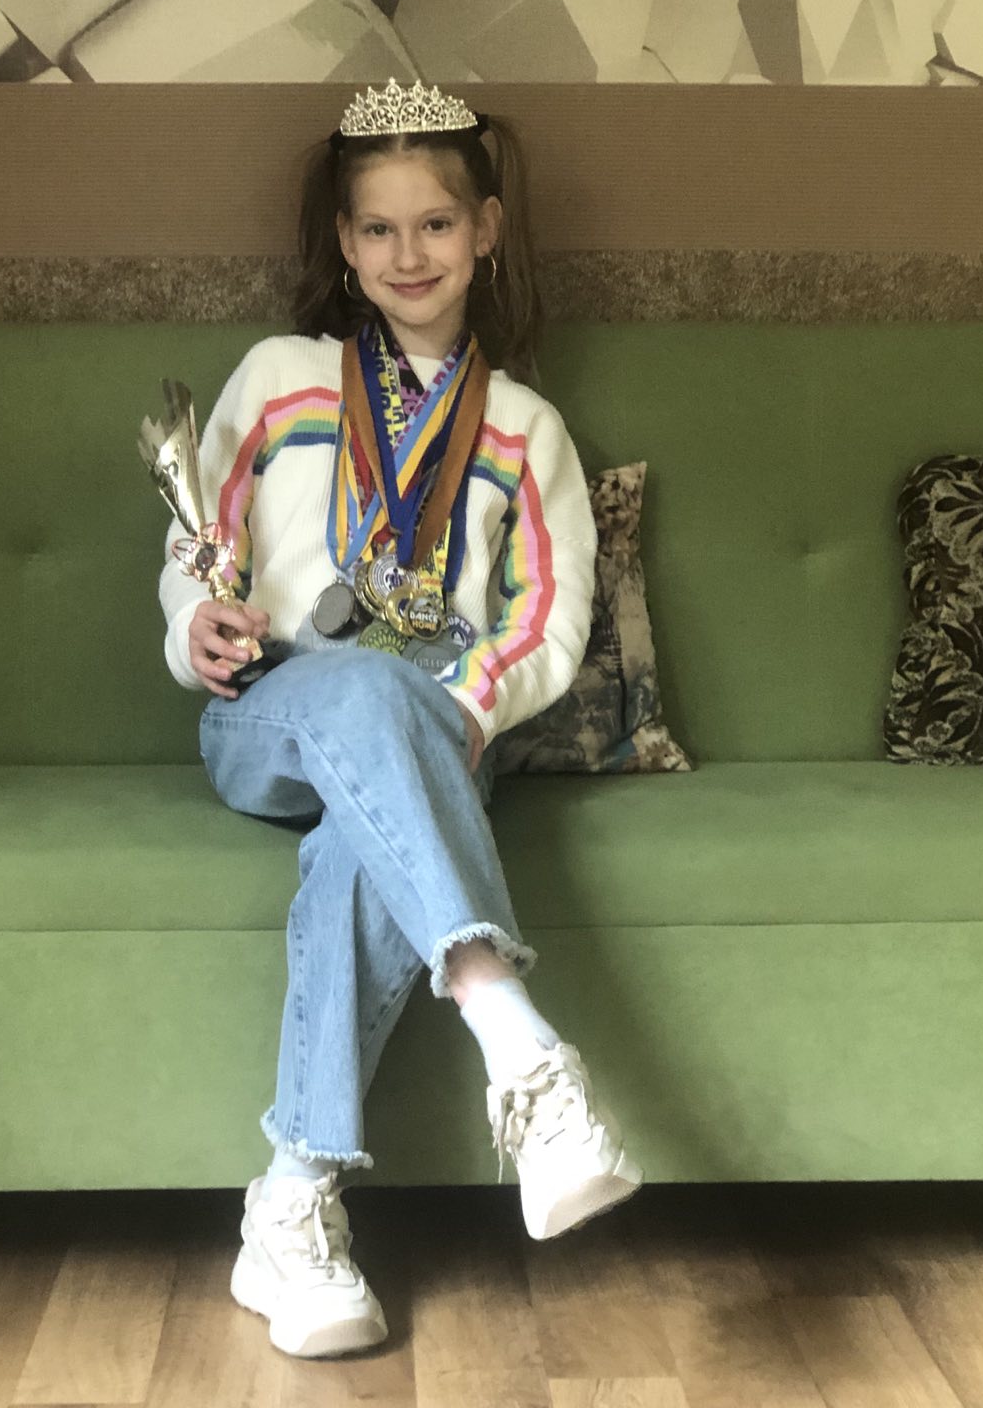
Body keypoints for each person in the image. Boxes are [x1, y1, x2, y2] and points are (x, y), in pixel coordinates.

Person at [157, 77, 644, 1360]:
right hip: (270, 713)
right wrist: (193, 624)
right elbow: (197, 541)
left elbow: (547, 620)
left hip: (432, 734)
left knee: (356, 852)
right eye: (377, 228)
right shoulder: (278, 378)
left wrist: (469, 712)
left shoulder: (528, 429)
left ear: (486, 230)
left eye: (435, 224)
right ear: (343, 242)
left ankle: (293, 1204)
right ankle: (518, 1044)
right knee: (366, 688)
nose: (407, 253)